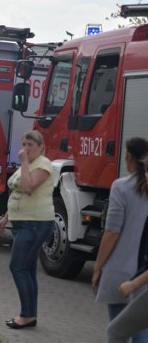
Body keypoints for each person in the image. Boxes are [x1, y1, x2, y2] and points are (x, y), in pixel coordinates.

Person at [92, 138, 148, 342]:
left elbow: (112, 232)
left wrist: (98, 268)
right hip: (144, 275)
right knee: (140, 329)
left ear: (128, 157)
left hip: (121, 272)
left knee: (118, 331)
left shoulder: (121, 187)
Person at [0, 130, 54, 329]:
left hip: (36, 223)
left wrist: (23, 163)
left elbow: (29, 188)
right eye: (24, 144)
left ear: (41, 147)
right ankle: (30, 314)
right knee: (27, 268)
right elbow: (16, 192)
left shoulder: (43, 164)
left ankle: (27, 314)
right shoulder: (28, 165)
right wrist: (6, 217)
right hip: (22, 221)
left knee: (17, 266)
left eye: (30, 144)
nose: (26, 148)